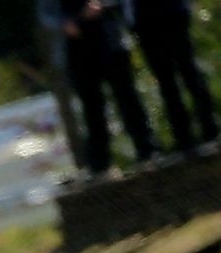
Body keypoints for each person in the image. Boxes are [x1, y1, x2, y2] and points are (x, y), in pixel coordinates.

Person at [41, 0, 159, 175]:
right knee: (92, 109)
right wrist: (65, 23)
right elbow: (46, 13)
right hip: (77, 51)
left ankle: (148, 151)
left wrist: (100, 5)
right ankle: (100, 165)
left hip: (110, 43)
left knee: (128, 100)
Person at [130, 0, 218, 153]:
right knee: (166, 81)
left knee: (189, 72)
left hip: (172, 12)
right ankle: (183, 137)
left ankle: (209, 128)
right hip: (145, 19)